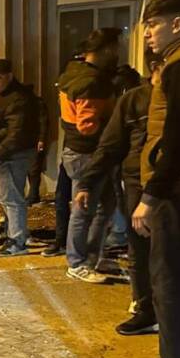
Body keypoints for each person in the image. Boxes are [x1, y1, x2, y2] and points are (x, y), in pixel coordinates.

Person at [124, 0, 180, 358]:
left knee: (169, 284)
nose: (147, 33)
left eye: (152, 24)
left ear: (179, 24)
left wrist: (151, 195)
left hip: (178, 193)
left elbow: (179, 139)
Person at [77, 53, 161, 336]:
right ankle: (145, 308)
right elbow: (110, 145)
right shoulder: (135, 100)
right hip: (138, 185)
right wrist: (87, 182)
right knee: (139, 249)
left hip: (178, 188)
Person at [56, 28, 122, 281]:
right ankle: (77, 262)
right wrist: (115, 124)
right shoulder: (92, 82)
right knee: (84, 209)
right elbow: (87, 125)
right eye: (115, 48)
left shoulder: (71, 73)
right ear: (106, 50)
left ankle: (92, 258)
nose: (118, 53)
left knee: (106, 205)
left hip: (79, 151)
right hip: (88, 154)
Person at [0, 59, 40, 256]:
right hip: (3, 153)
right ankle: (14, 234)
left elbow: (16, 132)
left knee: (12, 197)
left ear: (10, 76)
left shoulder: (18, 98)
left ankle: (17, 240)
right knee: (7, 197)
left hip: (12, 154)